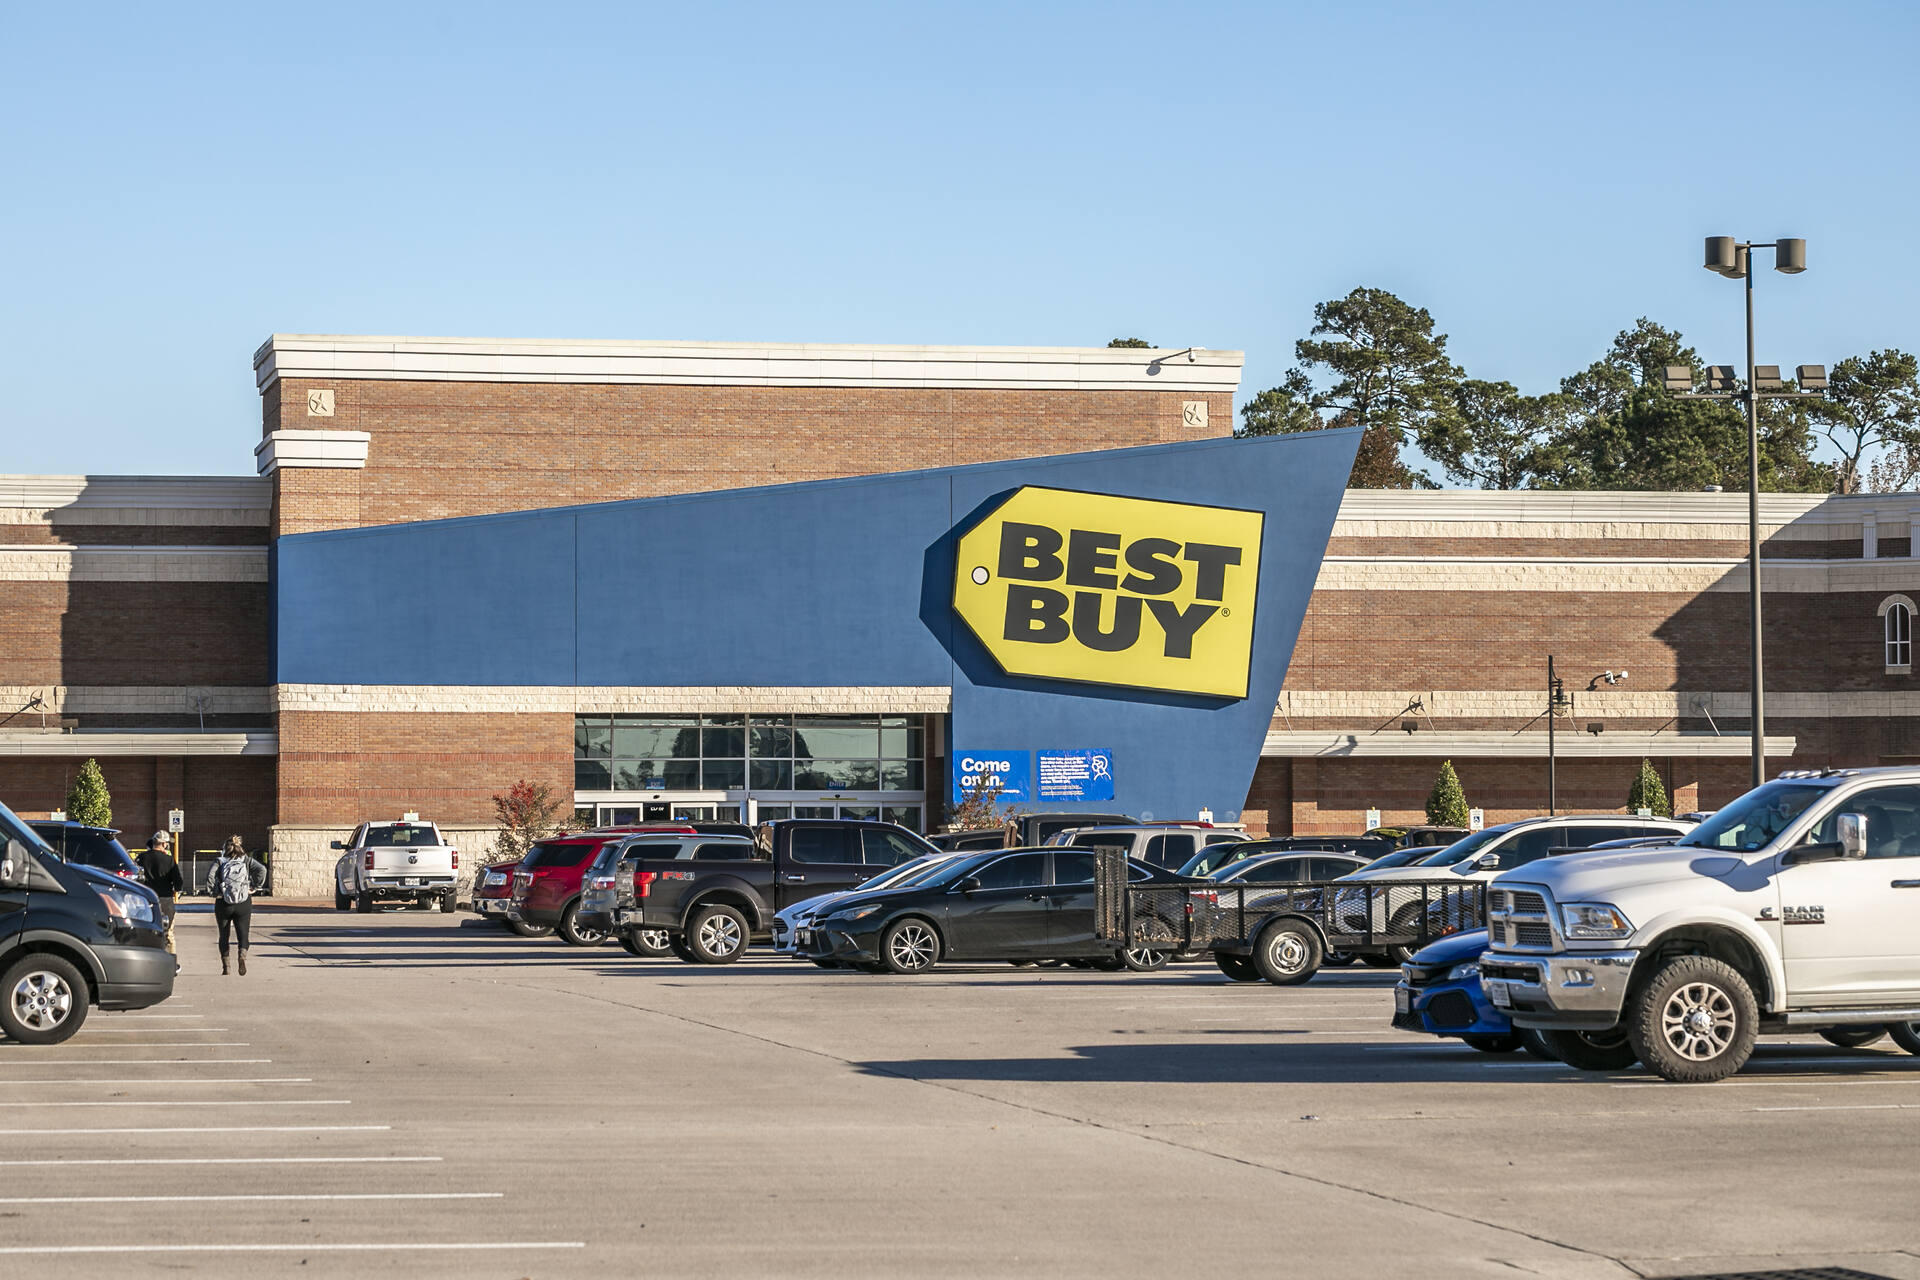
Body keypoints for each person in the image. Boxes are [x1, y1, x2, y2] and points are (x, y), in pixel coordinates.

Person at [207, 835, 268, 976]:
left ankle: (226, 967)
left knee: (224, 935)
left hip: (224, 901)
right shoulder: (246, 860)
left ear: (225, 848)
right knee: (243, 933)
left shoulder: (220, 861)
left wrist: (213, 892)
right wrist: (255, 886)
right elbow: (262, 870)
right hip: (243, 901)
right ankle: (242, 956)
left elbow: (210, 876)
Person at [138, 830, 184, 954]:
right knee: (168, 934)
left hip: (145, 900)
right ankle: (170, 960)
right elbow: (178, 882)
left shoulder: (141, 858)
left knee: (146, 932)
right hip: (165, 900)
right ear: (164, 844)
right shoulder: (169, 860)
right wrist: (176, 889)